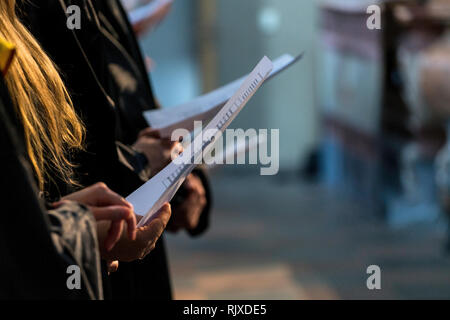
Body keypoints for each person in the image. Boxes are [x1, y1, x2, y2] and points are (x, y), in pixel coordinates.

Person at [20, 0, 211, 299]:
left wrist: (185, 172)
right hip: (99, 241)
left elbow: (133, 96)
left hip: (127, 230)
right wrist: (135, 162)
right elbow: (60, 144)